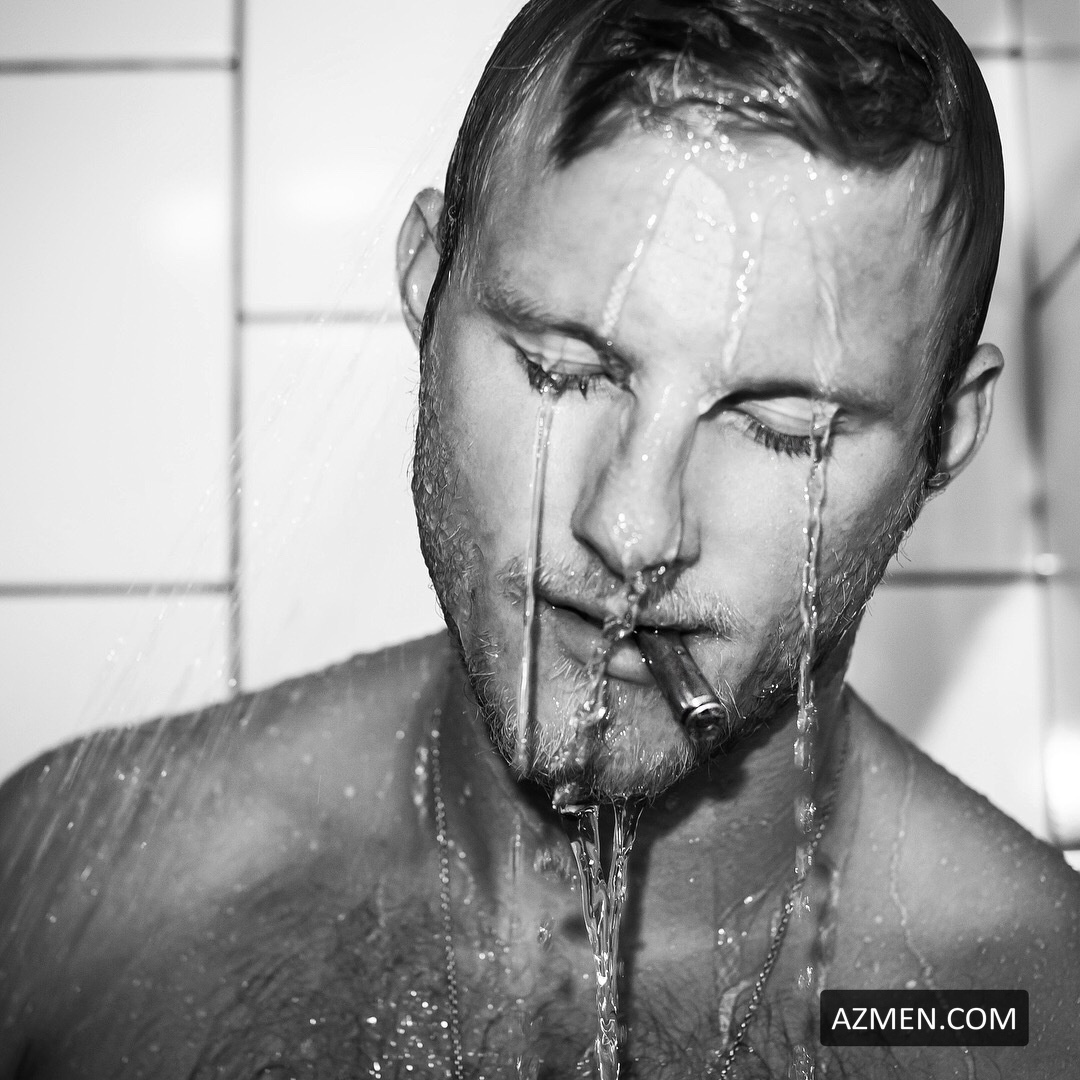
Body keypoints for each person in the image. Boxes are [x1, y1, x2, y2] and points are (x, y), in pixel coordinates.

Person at [2, 0, 1078, 1076]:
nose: (631, 528)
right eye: (561, 371)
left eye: (782, 428)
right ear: (425, 282)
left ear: (946, 435)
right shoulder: (88, 893)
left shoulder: (1031, 1014)